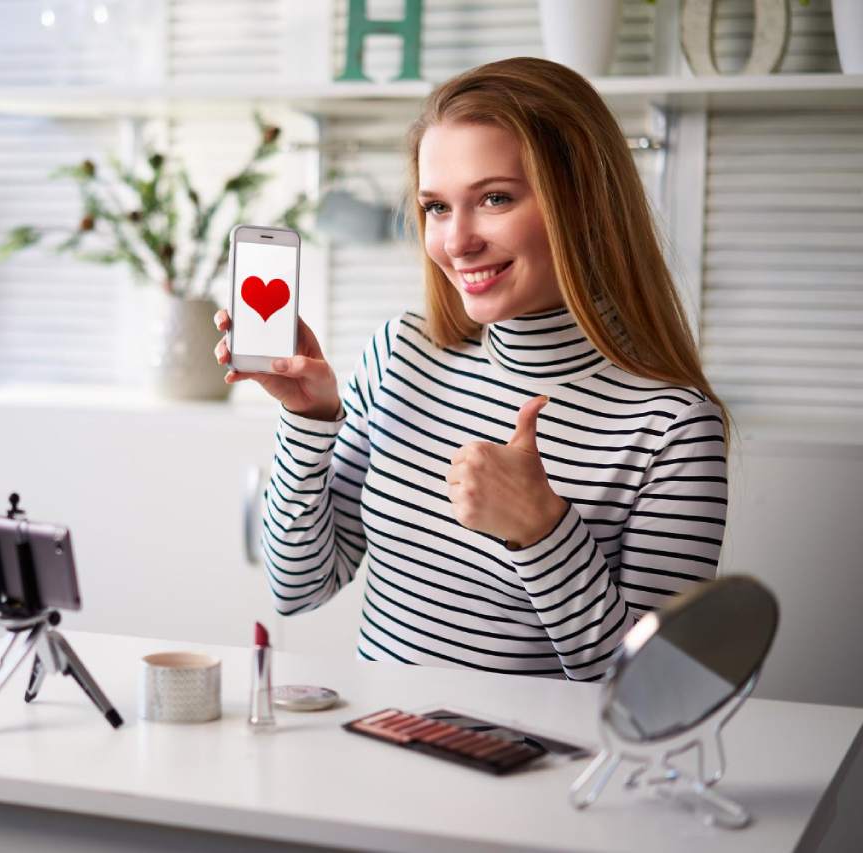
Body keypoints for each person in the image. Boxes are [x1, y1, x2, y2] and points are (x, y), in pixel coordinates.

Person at [212, 57, 729, 682]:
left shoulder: (672, 424)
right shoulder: (401, 354)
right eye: (436, 207)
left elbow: (656, 688)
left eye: (494, 198)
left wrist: (542, 530)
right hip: (378, 751)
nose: (457, 242)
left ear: (583, 205)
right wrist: (310, 422)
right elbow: (298, 587)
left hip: (540, 772)